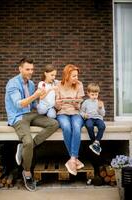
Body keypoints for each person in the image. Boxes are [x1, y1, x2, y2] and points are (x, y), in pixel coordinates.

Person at [5, 57, 59, 191]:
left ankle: (23, 149)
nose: (30, 72)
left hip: (30, 114)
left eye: (32, 69)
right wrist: (36, 95)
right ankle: (27, 173)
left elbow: (34, 104)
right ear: (20, 69)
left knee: (54, 123)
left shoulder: (30, 83)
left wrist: (49, 102)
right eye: (27, 69)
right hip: (17, 116)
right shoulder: (13, 84)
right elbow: (20, 104)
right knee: (28, 142)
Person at [55, 64, 85, 176]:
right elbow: (57, 108)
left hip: (75, 112)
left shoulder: (79, 85)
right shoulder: (58, 85)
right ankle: (75, 159)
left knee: (76, 127)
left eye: (77, 75)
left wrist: (76, 103)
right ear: (67, 75)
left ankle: (72, 159)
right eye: (74, 76)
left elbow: (79, 107)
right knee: (66, 127)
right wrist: (57, 104)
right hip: (62, 112)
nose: (76, 78)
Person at [80, 83, 106, 156]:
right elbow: (81, 111)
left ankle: (96, 142)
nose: (94, 96)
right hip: (89, 118)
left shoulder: (100, 102)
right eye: (92, 94)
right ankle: (93, 142)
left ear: (98, 94)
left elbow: (103, 114)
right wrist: (84, 115)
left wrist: (100, 108)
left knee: (102, 126)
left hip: (98, 118)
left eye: (96, 94)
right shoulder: (86, 102)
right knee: (89, 125)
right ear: (88, 93)